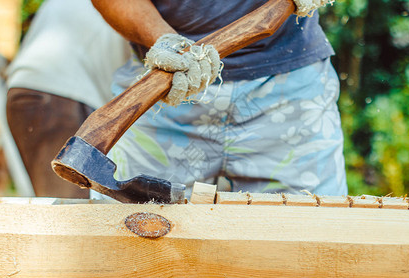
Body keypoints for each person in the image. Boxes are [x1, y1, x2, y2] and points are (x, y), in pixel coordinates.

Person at [91, 0, 348, 198]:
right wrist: (165, 42)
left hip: (291, 93)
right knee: (125, 241)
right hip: (162, 88)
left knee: (313, 240)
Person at [6, 0, 130, 198]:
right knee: (71, 212)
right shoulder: (152, 14)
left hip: (24, 89)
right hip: (61, 96)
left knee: (58, 202)